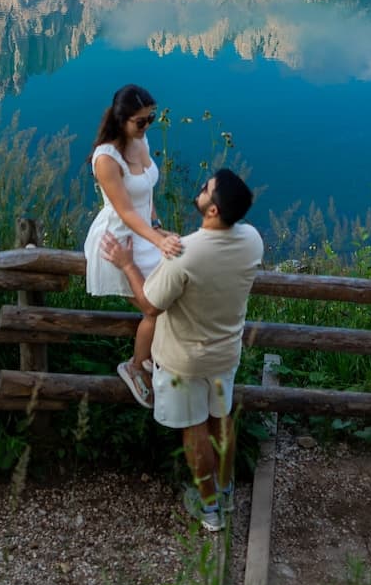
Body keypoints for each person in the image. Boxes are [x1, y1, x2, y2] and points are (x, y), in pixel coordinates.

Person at [103, 167, 261, 534]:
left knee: (195, 431)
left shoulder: (185, 256)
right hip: (225, 354)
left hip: (183, 362)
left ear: (213, 210)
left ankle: (210, 509)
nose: (201, 187)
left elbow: (150, 304)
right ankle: (226, 492)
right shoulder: (252, 240)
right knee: (221, 420)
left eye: (207, 188)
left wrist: (127, 264)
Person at [83, 83, 183, 408]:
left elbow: (146, 191)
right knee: (153, 306)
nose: (147, 125)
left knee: (173, 296)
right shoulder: (106, 159)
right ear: (121, 119)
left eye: (151, 118)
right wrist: (159, 240)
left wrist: (156, 225)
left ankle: (156, 358)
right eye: (141, 121)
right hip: (119, 240)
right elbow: (125, 211)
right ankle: (136, 366)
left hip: (144, 233)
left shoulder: (141, 140)